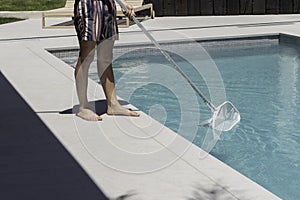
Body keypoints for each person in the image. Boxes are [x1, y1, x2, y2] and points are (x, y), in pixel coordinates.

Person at [73, 0, 140, 121]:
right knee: (86, 57)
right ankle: (83, 107)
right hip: (89, 6)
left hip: (108, 6)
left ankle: (113, 104)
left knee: (106, 58)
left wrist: (123, 3)